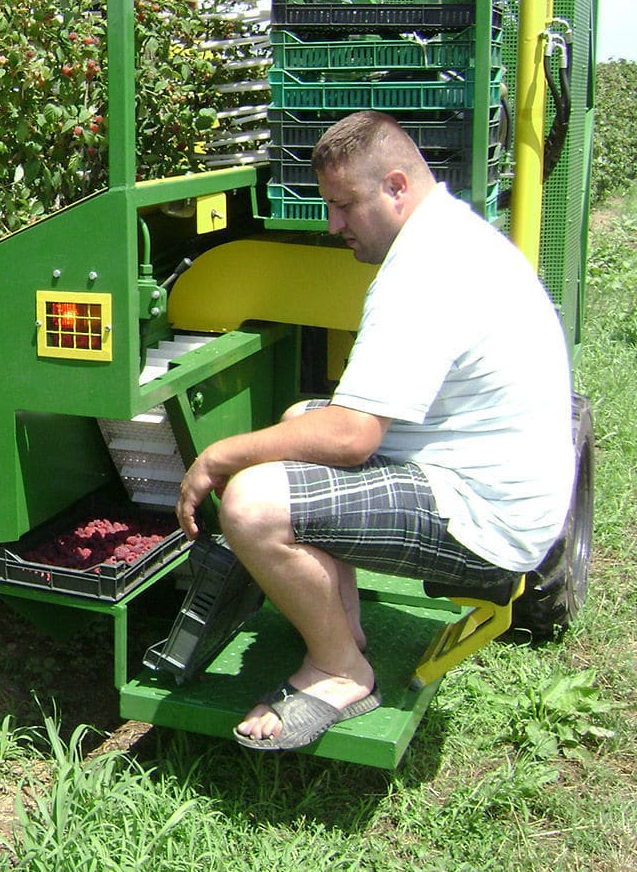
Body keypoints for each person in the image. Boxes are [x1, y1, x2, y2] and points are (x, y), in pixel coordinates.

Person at [175, 110, 574, 751]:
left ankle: (341, 671)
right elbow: (338, 427)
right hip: (490, 478)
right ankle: (343, 629)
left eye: (343, 205)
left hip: (487, 517)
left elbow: (355, 437)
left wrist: (219, 456)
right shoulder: (449, 236)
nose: (333, 225)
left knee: (250, 506)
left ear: (395, 186)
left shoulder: (424, 270)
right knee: (297, 424)